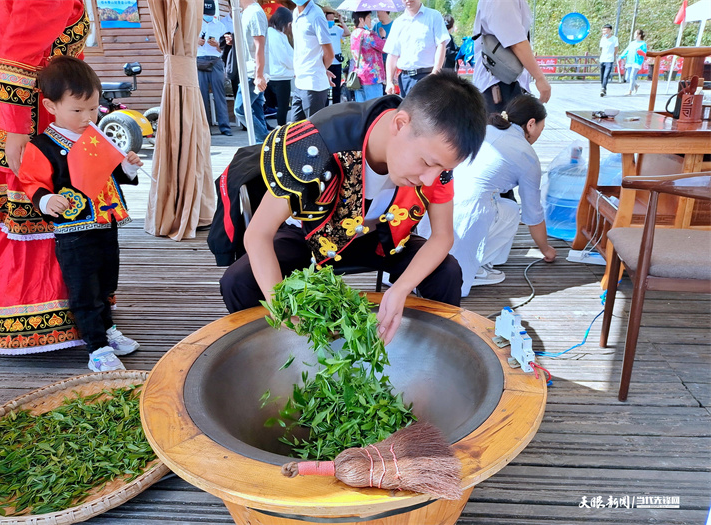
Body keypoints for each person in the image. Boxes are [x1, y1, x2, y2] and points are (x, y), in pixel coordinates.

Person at [211, 72, 488, 344]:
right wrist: (284, 312)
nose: (430, 179)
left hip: (382, 236)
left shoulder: (435, 160)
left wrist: (401, 289)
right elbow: (258, 234)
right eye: (427, 163)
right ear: (401, 124)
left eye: (443, 168)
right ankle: (274, 355)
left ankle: (429, 357)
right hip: (310, 234)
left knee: (447, 272)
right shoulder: (316, 141)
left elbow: (442, 236)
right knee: (239, 281)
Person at [15, 56, 142, 371]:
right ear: (51, 107)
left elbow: (113, 173)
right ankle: (96, 347)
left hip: (105, 223)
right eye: (77, 110)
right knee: (84, 288)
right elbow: (32, 182)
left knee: (106, 280)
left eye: (93, 108)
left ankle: (107, 329)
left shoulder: (95, 137)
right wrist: (46, 201)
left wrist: (127, 165)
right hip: (73, 232)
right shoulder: (42, 146)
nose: (87, 117)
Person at [0, 0, 89, 355]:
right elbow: (20, 50)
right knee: (36, 208)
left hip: (14, 113)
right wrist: (16, 128)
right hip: (31, 123)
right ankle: (39, 318)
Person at [417, 94, 556, 295]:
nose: (538, 136)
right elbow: (533, 215)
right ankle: (476, 266)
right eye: (540, 130)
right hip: (468, 207)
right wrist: (546, 250)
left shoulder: (485, 129)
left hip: (439, 198)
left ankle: (474, 262)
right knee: (510, 211)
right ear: (531, 124)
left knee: (506, 206)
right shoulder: (527, 155)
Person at [472, 0, 551, 113]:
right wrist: (540, 78)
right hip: (500, 85)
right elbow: (516, 42)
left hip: (502, 81)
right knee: (506, 128)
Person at [383, 0, 449, 97]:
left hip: (428, 76)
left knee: (427, 111)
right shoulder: (398, 23)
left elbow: (441, 44)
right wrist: (389, 81)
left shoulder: (434, 16)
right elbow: (392, 54)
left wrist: (435, 72)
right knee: (407, 111)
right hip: (405, 79)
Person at [289, 0, 334, 121]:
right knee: (294, 131)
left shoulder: (316, 16)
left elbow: (329, 54)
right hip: (299, 82)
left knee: (314, 131)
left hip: (313, 85)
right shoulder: (296, 12)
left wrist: (320, 69)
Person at [234, 0, 270, 143]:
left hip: (252, 72)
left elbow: (259, 45)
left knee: (240, 109)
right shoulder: (246, 12)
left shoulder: (254, 12)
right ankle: (263, 147)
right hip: (250, 70)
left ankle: (266, 140)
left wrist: (259, 75)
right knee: (256, 109)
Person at [198, 5, 234, 136]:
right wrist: (196, 42)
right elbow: (185, 45)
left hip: (216, 60)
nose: (209, 16)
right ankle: (205, 128)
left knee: (220, 94)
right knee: (202, 96)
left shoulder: (220, 26)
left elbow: (224, 50)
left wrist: (218, 45)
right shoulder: (195, 24)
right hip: (199, 60)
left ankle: (225, 127)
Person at [266, 7, 295, 126]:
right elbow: (283, 57)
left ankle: (280, 127)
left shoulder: (277, 34)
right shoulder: (273, 34)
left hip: (280, 74)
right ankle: (281, 128)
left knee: (282, 106)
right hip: (279, 75)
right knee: (282, 106)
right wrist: (295, 66)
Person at [350, 11, 386, 102]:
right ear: (361, 19)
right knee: (374, 107)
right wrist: (383, 37)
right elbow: (384, 47)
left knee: (361, 108)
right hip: (372, 76)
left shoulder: (354, 34)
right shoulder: (368, 34)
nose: (370, 20)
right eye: (369, 17)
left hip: (358, 76)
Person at [324, 8, 351, 105]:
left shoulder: (337, 29)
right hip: (326, 63)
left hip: (337, 62)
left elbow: (348, 33)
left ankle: (335, 107)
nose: (330, 21)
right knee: (325, 87)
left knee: (336, 87)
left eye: (332, 19)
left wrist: (341, 21)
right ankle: (325, 107)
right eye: (329, 19)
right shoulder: (323, 29)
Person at [619, 29, 647, 96]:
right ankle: (636, 85)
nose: (634, 35)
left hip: (637, 61)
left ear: (639, 35)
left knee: (632, 76)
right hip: (629, 61)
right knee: (628, 78)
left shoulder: (643, 44)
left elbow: (644, 53)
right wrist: (621, 56)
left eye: (635, 34)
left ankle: (630, 91)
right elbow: (627, 50)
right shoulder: (632, 43)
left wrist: (641, 52)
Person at [599, 24, 619, 97]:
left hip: (609, 59)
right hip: (602, 59)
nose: (604, 32)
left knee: (606, 75)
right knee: (602, 75)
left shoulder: (614, 39)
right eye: (603, 30)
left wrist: (613, 56)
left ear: (610, 30)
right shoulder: (603, 39)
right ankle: (603, 88)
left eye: (606, 30)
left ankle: (603, 88)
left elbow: (616, 48)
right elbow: (601, 48)